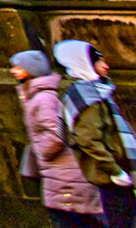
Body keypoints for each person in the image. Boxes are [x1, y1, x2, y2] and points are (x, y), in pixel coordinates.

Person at [14, 48, 105, 228]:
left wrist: (43, 152)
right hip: (63, 173)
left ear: (30, 70)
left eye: (18, 67)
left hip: (63, 175)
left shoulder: (43, 98)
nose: (13, 71)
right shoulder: (42, 94)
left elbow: (58, 132)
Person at [58, 40, 136, 228]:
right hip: (112, 175)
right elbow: (88, 139)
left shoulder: (96, 91)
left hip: (117, 170)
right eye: (100, 62)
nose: (106, 66)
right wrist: (115, 171)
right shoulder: (86, 97)